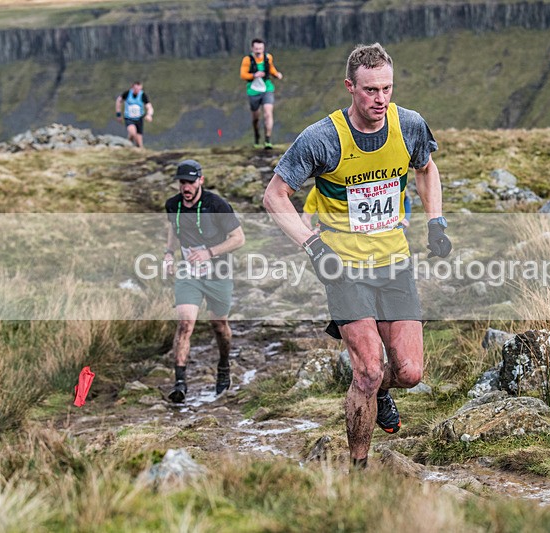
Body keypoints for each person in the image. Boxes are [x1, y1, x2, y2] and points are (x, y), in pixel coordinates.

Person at [263, 43, 451, 469]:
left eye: (386, 88)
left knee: (409, 373)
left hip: (394, 263)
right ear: (351, 87)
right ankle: (358, 469)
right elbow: (274, 196)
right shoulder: (322, 138)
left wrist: (435, 220)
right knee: (366, 370)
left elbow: (425, 168)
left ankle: (378, 390)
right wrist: (312, 245)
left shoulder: (410, 125)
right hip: (343, 266)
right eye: (370, 90)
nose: (380, 99)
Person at [164, 159, 246, 403]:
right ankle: (180, 383)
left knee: (219, 325)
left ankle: (223, 366)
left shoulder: (216, 205)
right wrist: (168, 253)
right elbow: (173, 229)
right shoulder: (173, 205)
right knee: (185, 323)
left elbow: (238, 238)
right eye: (182, 182)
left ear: (200, 180)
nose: (186, 187)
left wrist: (209, 253)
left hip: (218, 272)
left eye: (190, 182)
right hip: (189, 273)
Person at [302, 186, 412, 232]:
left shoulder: (376, 184)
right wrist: (311, 234)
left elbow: (406, 199)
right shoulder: (321, 188)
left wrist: (405, 218)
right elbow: (306, 217)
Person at [240, 38, 283, 149]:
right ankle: (257, 136)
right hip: (253, 90)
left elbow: (271, 68)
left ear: (263, 48)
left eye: (260, 48)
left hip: (267, 89)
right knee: (256, 117)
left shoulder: (268, 57)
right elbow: (243, 75)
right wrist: (254, 75)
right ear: (252, 48)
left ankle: (268, 139)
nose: (258, 50)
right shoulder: (247, 60)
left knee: (268, 113)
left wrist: (276, 74)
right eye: (256, 48)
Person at [115, 81, 153, 148]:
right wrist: (118, 114)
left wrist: (149, 115)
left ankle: (128, 146)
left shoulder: (143, 95)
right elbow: (119, 101)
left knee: (139, 143)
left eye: (139, 89)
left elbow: (149, 107)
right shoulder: (127, 94)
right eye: (136, 89)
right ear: (132, 88)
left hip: (139, 119)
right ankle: (129, 145)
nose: (137, 90)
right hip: (129, 118)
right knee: (133, 133)